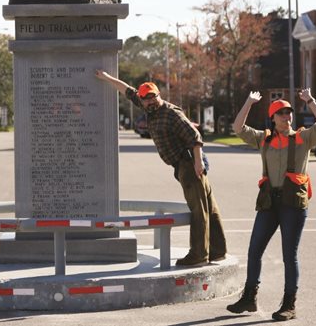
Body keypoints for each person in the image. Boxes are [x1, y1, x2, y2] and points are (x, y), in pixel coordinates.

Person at [95, 70, 227, 266]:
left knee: (199, 209)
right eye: (146, 98)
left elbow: (195, 137)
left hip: (189, 163)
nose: (150, 101)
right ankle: (217, 250)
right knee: (209, 206)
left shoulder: (170, 113)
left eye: (153, 97)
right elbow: (127, 90)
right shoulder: (148, 108)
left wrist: (197, 163)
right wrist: (106, 77)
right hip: (182, 164)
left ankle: (199, 254)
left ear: (159, 95)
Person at [228, 89, 316, 321]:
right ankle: (249, 298)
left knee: (288, 255)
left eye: (289, 113)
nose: (286, 116)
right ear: (273, 118)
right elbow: (238, 128)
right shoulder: (264, 139)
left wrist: (310, 101)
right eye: (281, 113)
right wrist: (248, 102)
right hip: (269, 202)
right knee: (254, 251)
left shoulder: (303, 138)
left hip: (292, 204)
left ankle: (289, 304)